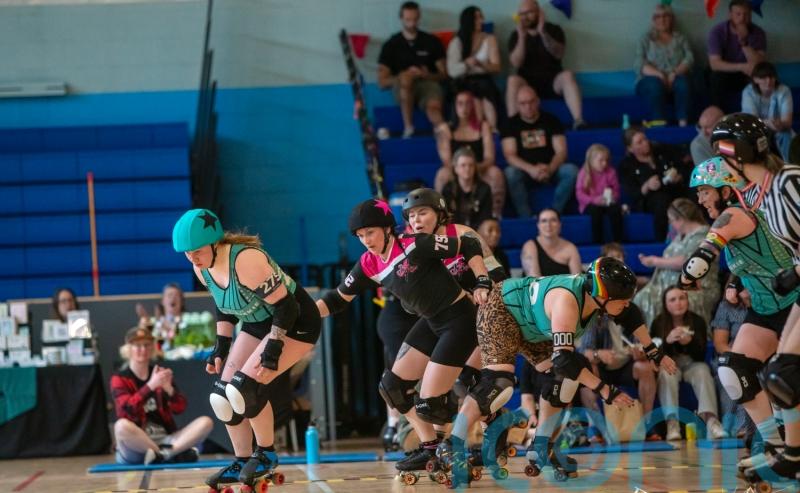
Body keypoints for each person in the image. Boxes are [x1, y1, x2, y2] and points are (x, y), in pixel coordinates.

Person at [441, 258, 675, 487]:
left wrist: (653, 351)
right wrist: (605, 390)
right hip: (502, 308)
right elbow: (564, 359)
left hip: (532, 324)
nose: (626, 303)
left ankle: (540, 447)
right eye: (622, 300)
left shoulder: (596, 295)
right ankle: (453, 445)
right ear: (603, 297)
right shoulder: (567, 301)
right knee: (499, 384)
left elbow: (630, 314)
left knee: (564, 380)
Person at [316, 198, 491, 479]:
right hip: (431, 322)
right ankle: (431, 447)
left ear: (387, 229)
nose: (366, 241)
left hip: (459, 320)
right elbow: (338, 298)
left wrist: (482, 280)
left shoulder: (413, 244)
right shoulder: (369, 263)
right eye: (360, 236)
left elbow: (469, 244)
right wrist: (308, 315)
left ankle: (454, 447)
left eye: (370, 233)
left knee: (429, 403)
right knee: (392, 387)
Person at [171, 209, 321, 490]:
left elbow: (286, 307)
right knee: (221, 395)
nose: (193, 258)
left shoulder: (245, 259)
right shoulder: (202, 266)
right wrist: (221, 346)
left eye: (197, 251)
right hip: (257, 323)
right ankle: (241, 459)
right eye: (187, 253)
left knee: (244, 388)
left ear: (216, 243)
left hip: (296, 321)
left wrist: (273, 347)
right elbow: (224, 305)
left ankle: (265, 453)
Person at [681, 156, 800, 469]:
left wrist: (686, 278)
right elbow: (747, 260)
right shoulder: (739, 217)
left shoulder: (733, 214)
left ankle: (790, 450)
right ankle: (775, 447)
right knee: (733, 369)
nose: (700, 198)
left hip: (793, 304)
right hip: (765, 310)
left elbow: (701, 257)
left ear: (725, 188)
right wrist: (733, 283)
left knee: (785, 378)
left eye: (704, 191)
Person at [711, 113, 800, 483]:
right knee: (782, 370)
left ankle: (792, 455)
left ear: (738, 154)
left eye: (722, 153)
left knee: (785, 371)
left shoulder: (788, 181)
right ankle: (789, 451)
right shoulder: (764, 193)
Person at [111, 327, 213, 464]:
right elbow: (127, 410)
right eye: (137, 345)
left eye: (147, 345)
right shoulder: (119, 378)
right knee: (120, 426)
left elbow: (180, 408)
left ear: (152, 348)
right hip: (135, 445)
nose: (143, 349)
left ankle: (162, 455)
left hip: (165, 440)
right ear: (128, 349)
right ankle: (169, 454)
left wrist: (169, 390)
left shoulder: (159, 373)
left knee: (206, 422)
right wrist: (151, 386)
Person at [650, 286, 727, 440]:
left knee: (703, 370)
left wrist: (690, 342)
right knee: (666, 373)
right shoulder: (658, 323)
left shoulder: (697, 321)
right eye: (673, 299)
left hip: (692, 363)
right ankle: (672, 424)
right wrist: (668, 341)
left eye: (682, 298)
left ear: (687, 301)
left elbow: (701, 355)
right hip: (670, 363)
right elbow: (655, 354)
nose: (678, 303)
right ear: (665, 304)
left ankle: (711, 421)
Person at [633, 198, 720, 327]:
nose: (670, 223)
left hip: (695, 288)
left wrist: (655, 261)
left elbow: (688, 261)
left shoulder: (704, 235)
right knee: (642, 297)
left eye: (671, 220)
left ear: (681, 218)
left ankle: (662, 340)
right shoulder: (680, 236)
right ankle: (649, 340)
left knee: (659, 300)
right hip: (669, 286)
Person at [506, 0, 585, 128]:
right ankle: (513, 125)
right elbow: (516, 63)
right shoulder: (516, 35)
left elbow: (559, 54)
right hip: (527, 84)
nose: (525, 17)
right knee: (512, 80)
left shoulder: (554, 29)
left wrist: (543, 33)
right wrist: (522, 37)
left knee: (568, 75)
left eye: (529, 12)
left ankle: (578, 120)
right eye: (522, 14)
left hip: (553, 81)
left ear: (539, 12)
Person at [502, 86, 578, 217]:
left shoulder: (552, 120)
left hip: (551, 169)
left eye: (531, 102)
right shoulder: (510, 125)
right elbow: (510, 155)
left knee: (571, 171)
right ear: (517, 105)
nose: (528, 106)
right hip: (525, 172)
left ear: (538, 101)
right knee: (510, 173)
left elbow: (561, 152)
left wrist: (549, 169)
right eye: (523, 103)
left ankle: (554, 214)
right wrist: (531, 169)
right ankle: (525, 217)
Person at [377, 1, 446, 138]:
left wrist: (426, 75)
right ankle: (409, 128)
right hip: (402, 88)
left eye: (415, 19)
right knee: (407, 81)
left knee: (433, 106)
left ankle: (442, 129)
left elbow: (444, 75)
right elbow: (382, 82)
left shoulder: (431, 41)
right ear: (401, 18)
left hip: (427, 84)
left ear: (419, 18)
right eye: (408, 20)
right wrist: (402, 76)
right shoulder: (391, 45)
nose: (412, 24)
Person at [434, 92, 505, 217]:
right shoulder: (445, 128)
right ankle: (442, 215)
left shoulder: (483, 126)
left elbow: (489, 157)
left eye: (468, 103)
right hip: (456, 170)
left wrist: (471, 169)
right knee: (442, 174)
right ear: (454, 106)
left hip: (479, 168)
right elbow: (447, 160)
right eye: (460, 103)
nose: (464, 107)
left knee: (495, 172)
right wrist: (463, 170)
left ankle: (495, 215)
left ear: (474, 106)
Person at [619, 125, 692, 241]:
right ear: (630, 148)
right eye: (639, 142)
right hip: (650, 199)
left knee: (694, 190)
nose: (645, 143)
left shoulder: (661, 149)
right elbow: (632, 193)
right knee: (661, 199)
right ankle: (662, 240)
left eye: (645, 139)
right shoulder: (626, 166)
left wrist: (680, 176)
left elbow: (683, 164)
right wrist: (646, 186)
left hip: (674, 189)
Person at [634, 4, 693, 126]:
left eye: (666, 16)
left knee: (683, 83)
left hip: (676, 76)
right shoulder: (646, 39)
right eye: (658, 17)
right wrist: (659, 74)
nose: (662, 20)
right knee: (655, 85)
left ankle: (683, 122)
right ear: (654, 20)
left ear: (672, 19)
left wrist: (675, 73)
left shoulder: (680, 38)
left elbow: (689, 58)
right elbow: (639, 63)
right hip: (649, 80)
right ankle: (659, 124)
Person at [446, 6, 502, 130]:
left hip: (484, 78)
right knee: (472, 93)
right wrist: (466, 64)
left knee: (484, 89)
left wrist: (481, 64)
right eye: (476, 18)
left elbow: (497, 67)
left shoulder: (489, 39)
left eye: (481, 17)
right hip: (463, 79)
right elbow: (452, 71)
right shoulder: (457, 42)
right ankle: (476, 128)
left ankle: (492, 128)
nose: (481, 21)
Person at [707, 0, 767, 112]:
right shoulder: (717, 31)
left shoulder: (758, 33)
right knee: (715, 77)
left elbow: (759, 64)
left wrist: (743, 42)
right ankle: (719, 116)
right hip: (725, 73)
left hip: (747, 74)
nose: (742, 18)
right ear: (730, 15)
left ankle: (754, 116)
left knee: (762, 75)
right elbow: (714, 64)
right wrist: (741, 66)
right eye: (738, 14)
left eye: (746, 14)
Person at [741, 62, 795, 161]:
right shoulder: (748, 92)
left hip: (780, 129)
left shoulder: (784, 90)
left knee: (785, 134)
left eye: (771, 77)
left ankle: (790, 166)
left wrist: (780, 124)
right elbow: (751, 120)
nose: (768, 81)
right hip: (757, 130)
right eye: (763, 78)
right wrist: (768, 123)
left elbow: (788, 121)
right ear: (755, 79)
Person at [576, 143, 624, 243]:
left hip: (607, 202)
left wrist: (611, 198)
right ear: (591, 161)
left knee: (615, 210)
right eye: (601, 161)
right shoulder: (584, 173)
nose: (604, 163)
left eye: (606, 160)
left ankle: (618, 242)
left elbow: (616, 191)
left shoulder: (611, 172)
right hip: (590, 204)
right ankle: (598, 242)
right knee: (595, 212)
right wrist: (594, 200)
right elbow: (579, 193)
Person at [441, 147, 493, 229]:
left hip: (478, 232)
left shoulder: (484, 188)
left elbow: (486, 216)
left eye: (471, 165)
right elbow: (445, 217)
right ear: (456, 168)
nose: (467, 169)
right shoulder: (448, 189)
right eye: (463, 165)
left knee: (489, 225)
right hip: (454, 232)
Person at [521, 208, 582, 278]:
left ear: (559, 224)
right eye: (544, 221)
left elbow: (577, 281)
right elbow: (534, 281)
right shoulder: (529, 246)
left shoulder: (571, 248)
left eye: (553, 220)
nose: (548, 225)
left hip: (565, 288)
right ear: (538, 225)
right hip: (539, 288)